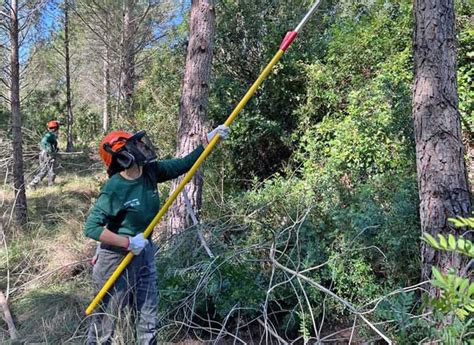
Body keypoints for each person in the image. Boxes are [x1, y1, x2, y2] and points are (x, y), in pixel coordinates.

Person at [84, 125, 230, 344]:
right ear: (123, 156)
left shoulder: (151, 172)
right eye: (136, 144)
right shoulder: (115, 188)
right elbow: (92, 228)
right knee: (104, 325)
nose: (142, 146)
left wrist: (210, 140)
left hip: (144, 255)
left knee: (148, 318)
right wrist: (127, 242)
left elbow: (184, 165)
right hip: (115, 261)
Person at [28, 120, 60, 189]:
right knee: (52, 170)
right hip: (47, 154)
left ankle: (32, 184)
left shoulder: (48, 135)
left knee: (44, 170)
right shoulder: (51, 135)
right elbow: (47, 143)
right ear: (55, 129)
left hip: (42, 153)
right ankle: (51, 186)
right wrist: (50, 151)